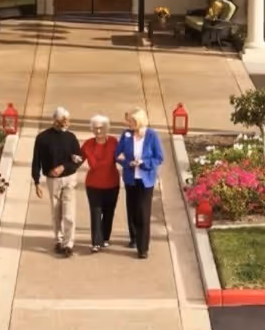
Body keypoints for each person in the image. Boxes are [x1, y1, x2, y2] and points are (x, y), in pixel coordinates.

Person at [31, 107, 86, 257]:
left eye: (68, 120)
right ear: (55, 120)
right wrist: (36, 181)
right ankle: (58, 240)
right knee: (56, 212)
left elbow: (78, 159)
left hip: (69, 179)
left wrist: (64, 167)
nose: (67, 123)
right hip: (52, 181)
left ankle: (68, 243)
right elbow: (36, 161)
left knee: (69, 212)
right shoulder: (42, 138)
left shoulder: (71, 138)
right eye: (63, 121)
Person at [117, 108, 165, 260]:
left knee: (143, 213)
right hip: (131, 178)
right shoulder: (126, 135)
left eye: (131, 121)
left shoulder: (152, 135)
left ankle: (143, 248)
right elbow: (117, 155)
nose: (128, 123)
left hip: (146, 180)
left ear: (138, 121)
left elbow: (159, 158)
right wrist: (126, 162)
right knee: (132, 210)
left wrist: (143, 163)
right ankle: (134, 238)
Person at [81, 115, 121, 253]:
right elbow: (77, 160)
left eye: (101, 128)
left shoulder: (114, 142)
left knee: (109, 212)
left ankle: (105, 238)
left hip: (112, 183)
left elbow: (122, 157)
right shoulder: (87, 144)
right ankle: (96, 242)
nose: (98, 131)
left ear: (106, 129)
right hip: (93, 184)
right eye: (95, 128)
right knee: (95, 212)